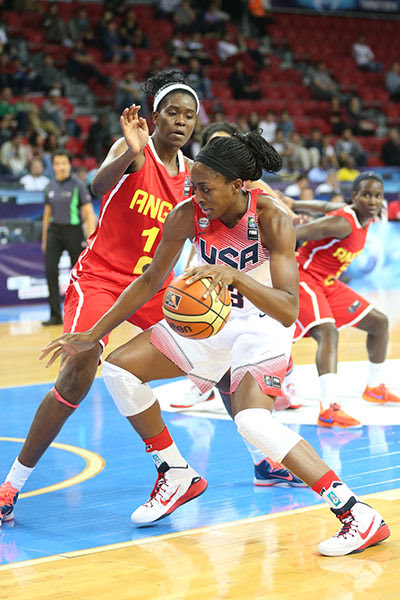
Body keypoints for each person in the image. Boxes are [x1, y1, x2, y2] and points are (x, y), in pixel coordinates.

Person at [39, 134, 389, 557]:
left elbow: (288, 310)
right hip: (213, 325)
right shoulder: (188, 214)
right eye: (193, 186)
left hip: (263, 329)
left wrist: (237, 277)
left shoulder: (272, 217)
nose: (195, 194)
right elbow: (150, 281)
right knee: (119, 367)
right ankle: (174, 470)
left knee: (252, 423)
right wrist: (91, 334)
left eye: (205, 187)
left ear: (237, 185)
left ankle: (356, 514)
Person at [0, 70, 207, 529]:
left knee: (219, 351)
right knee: (78, 368)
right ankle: (10, 485)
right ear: (153, 117)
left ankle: (261, 459)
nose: (180, 121)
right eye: (172, 112)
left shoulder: (194, 175)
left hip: (152, 286)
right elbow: (96, 186)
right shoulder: (131, 150)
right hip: (102, 279)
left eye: (189, 116)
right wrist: (129, 155)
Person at [293, 172, 400, 429]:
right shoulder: (343, 223)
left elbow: (326, 206)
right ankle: (328, 409)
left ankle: (374, 387)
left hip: (328, 283)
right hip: (304, 276)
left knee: (379, 323)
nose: (372, 201)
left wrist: (294, 203)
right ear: (354, 197)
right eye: (366, 195)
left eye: (377, 196)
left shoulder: (363, 216)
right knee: (327, 333)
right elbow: (296, 232)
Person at [41, 150, 97, 326]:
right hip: (54, 232)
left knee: (78, 275)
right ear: (53, 166)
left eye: (63, 163)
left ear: (69, 164)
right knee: (50, 271)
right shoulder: (50, 186)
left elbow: (88, 213)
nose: (60, 167)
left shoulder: (78, 185)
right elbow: (46, 214)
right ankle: (55, 315)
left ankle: (78, 312)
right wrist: (44, 239)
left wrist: (92, 239)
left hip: (73, 231)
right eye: (57, 164)